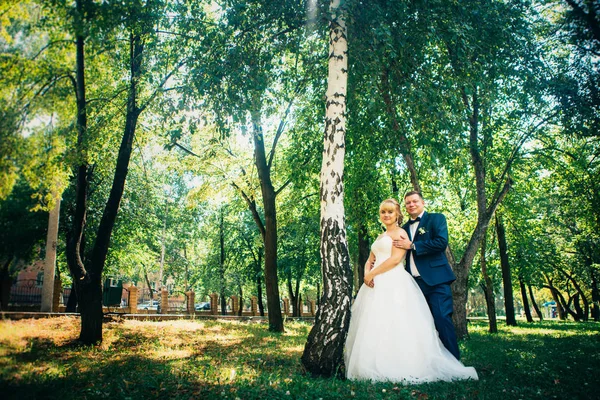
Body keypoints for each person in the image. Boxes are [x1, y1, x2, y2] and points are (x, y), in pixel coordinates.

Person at [344, 198, 477, 383]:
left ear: (397, 213)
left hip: (405, 280)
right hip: (380, 282)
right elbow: (370, 258)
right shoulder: (382, 235)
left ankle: (451, 361)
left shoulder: (406, 231)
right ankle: (378, 362)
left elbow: (395, 259)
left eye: (390, 211)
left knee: (433, 319)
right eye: (383, 212)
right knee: (380, 322)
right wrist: (367, 273)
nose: (386, 215)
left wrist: (373, 273)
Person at [394, 191, 461, 360]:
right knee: (420, 323)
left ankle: (453, 361)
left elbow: (440, 242)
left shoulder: (436, 219)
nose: (411, 205)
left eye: (414, 201)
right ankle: (428, 360)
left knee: (441, 318)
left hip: (437, 280)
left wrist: (414, 245)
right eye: (408, 203)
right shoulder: (402, 229)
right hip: (413, 283)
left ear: (422, 203)